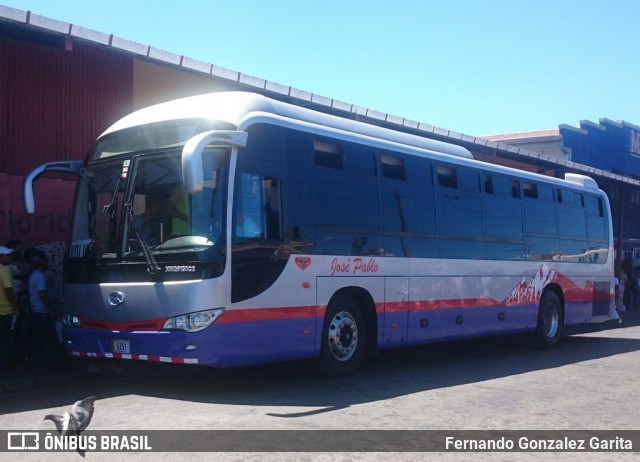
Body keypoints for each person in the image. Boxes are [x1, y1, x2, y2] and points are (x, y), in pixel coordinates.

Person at [28, 251, 58, 375]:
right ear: (43, 262)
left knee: (43, 341)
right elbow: (43, 294)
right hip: (42, 313)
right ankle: (44, 370)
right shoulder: (39, 276)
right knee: (50, 342)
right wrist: (51, 310)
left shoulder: (34, 275)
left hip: (37, 312)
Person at [0, 245, 20, 377]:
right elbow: (9, 290)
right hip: (6, 313)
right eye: (7, 255)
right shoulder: (4, 269)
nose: (10, 257)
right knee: (7, 344)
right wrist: (16, 307)